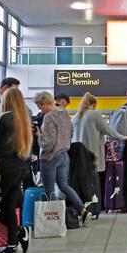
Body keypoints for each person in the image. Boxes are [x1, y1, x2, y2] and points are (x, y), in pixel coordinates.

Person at [0, 88, 33, 253]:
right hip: (20, 167)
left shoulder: (5, 117)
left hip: (4, 168)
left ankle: (19, 232)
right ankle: (11, 247)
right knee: (8, 205)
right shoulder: (24, 120)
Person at [34, 92, 92, 223]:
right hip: (63, 155)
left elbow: (47, 143)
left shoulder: (49, 117)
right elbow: (71, 131)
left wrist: (38, 135)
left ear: (44, 103)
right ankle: (83, 211)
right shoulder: (64, 113)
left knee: (49, 191)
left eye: (40, 107)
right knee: (64, 186)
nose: (40, 110)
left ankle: (56, 221)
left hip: (49, 157)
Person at [72, 92, 127, 210]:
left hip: (79, 156)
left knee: (82, 182)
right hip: (92, 155)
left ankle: (82, 208)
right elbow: (108, 130)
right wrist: (123, 137)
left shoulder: (77, 116)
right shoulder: (94, 114)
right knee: (94, 183)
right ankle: (95, 208)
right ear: (94, 104)